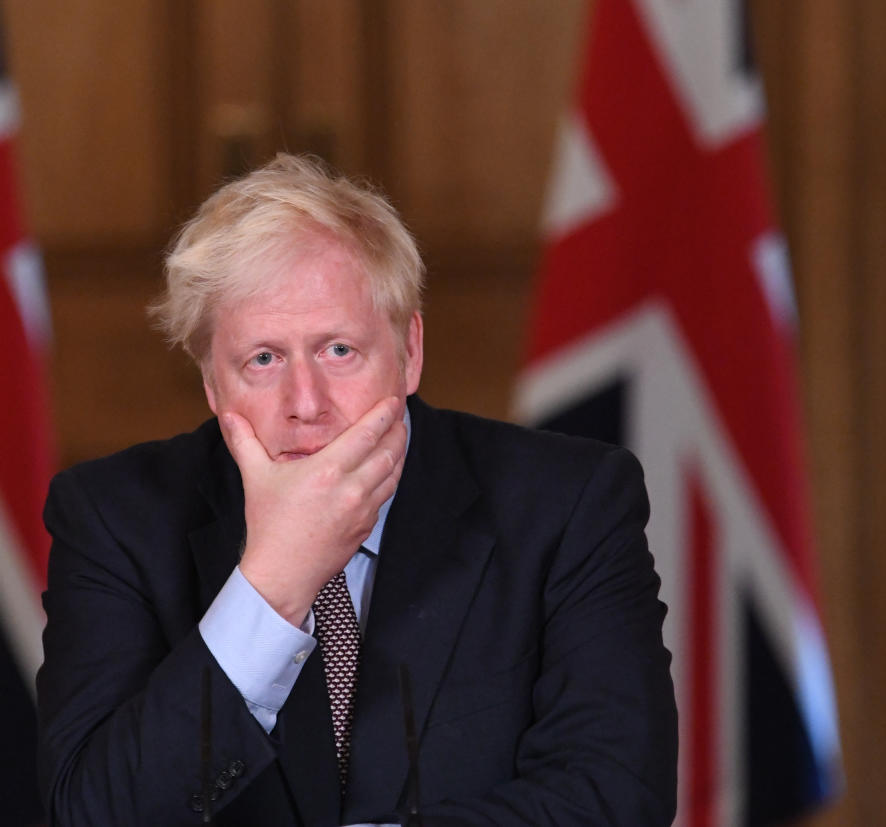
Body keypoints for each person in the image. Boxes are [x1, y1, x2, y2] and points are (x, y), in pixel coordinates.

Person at [36, 154, 677, 826]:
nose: (305, 403)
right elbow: (90, 813)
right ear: (211, 385)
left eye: (339, 349)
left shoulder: (568, 504)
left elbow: (616, 797)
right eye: (263, 359)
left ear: (410, 351)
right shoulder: (112, 519)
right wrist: (271, 586)